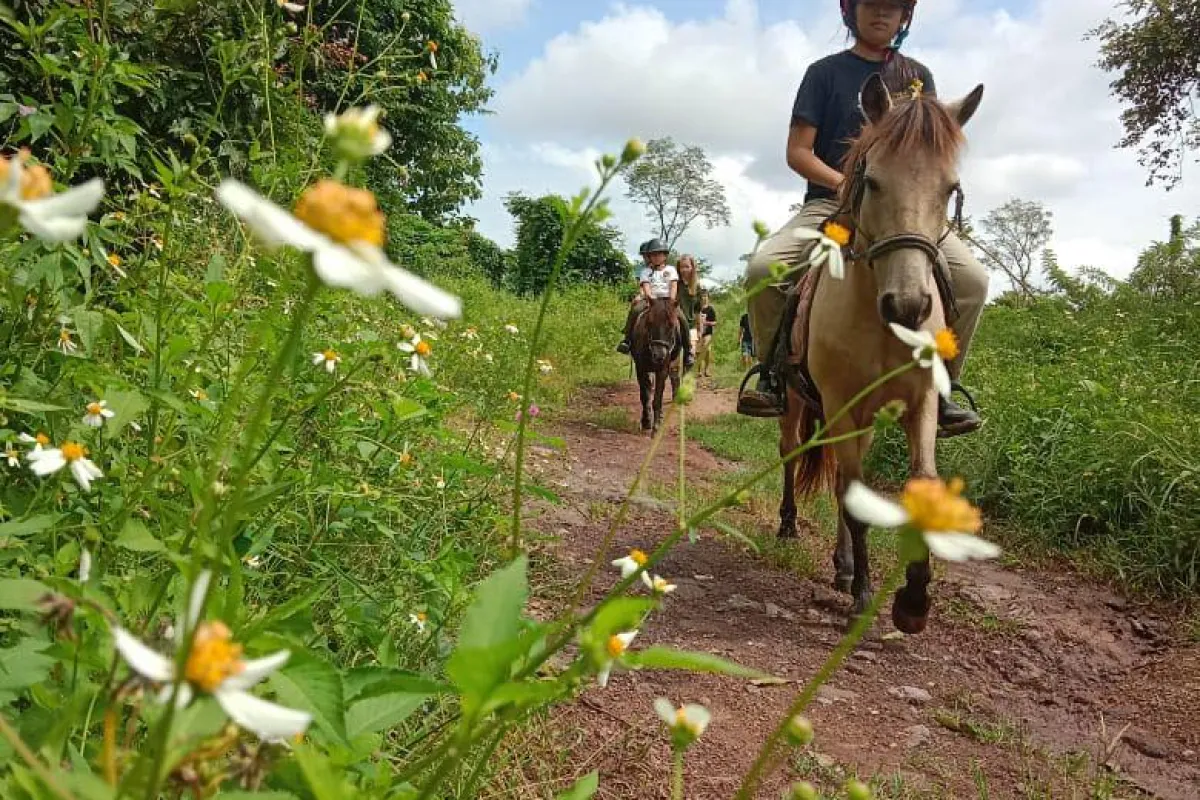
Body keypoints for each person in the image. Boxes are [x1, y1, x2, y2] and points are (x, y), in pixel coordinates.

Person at [736, 0, 987, 438]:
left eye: (892, 8)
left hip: (902, 209)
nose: (881, 14)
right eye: (871, 5)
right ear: (850, 12)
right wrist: (847, 185)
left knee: (973, 281)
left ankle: (944, 388)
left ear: (905, 17)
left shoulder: (918, 77)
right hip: (830, 204)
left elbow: (926, 150)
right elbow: (798, 152)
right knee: (763, 269)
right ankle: (773, 374)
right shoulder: (823, 74)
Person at [616, 238, 695, 368]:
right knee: (636, 309)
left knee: (682, 318)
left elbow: (673, 285)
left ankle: (688, 351)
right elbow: (646, 286)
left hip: (667, 300)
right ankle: (627, 339)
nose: (656, 257)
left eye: (659, 254)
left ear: (665, 256)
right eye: (653, 255)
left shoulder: (671, 270)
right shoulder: (645, 272)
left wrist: (671, 300)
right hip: (651, 301)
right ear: (649, 257)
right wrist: (650, 299)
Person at [696, 291, 717, 377]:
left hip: (707, 333)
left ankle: (707, 369)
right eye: (702, 296)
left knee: (707, 349)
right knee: (698, 352)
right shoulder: (697, 308)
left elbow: (715, 322)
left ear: (708, 298)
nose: (704, 298)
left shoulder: (710, 309)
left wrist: (706, 323)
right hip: (697, 332)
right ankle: (698, 371)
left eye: (705, 296)